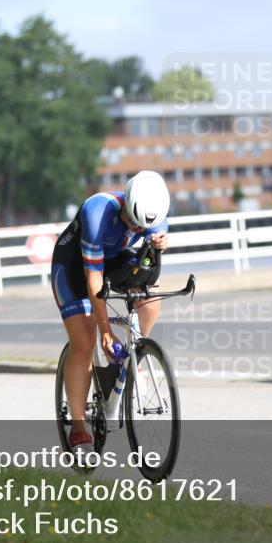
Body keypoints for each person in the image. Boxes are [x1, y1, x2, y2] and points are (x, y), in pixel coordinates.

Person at [51, 170, 170, 452]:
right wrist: (105, 331)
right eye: (132, 222)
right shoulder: (98, 210)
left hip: (116, 260)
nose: (137, 229)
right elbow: (94, 277)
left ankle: (135, 354)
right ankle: (79, 426)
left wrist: (160, 245)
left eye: (142, 228)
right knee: (84, 341)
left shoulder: (156, 213)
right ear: (127, 204)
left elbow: (149, 266)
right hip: (75, 268)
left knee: (150, 300)